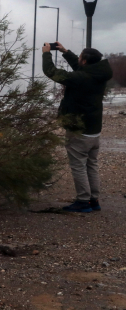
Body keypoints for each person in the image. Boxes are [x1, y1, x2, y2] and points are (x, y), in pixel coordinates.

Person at [42, 42, 112, 213]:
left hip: (79, 130)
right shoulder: (98, 74)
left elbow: (52, 73)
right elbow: (81, 70)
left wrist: (46, 54)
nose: (79, 59)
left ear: (85, 62)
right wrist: (66, 52)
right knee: (91, 164)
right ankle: (93, 200)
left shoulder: (82, 78)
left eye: (80, 57)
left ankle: (82, 201)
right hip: (94, 130)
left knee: (78, 166)